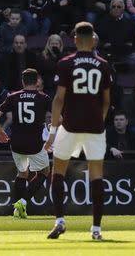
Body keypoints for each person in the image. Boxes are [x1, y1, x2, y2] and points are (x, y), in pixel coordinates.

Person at [44, 22, 112, 240]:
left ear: (74, 40)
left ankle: (60, 221)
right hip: (94, 127)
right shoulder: (102, 64)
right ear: (93, 40)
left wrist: (53, 131)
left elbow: (58, 99)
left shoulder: (66, 63)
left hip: (70, 125)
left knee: (58, 172)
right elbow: (106, 101)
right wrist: (98, 123)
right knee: (96, 175)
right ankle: (96, 230)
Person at [0, 68, 51, 219]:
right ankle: (23, 202)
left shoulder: (13, 97)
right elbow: (60, 119)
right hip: (35, 143)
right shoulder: (44, 98)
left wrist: (0, 132)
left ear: (23, 81)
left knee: (22, 173)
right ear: (37, 81)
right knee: (44, 172)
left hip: (17, 142)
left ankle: (18, 209)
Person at [96, 0, 135, 75]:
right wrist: (104, 45)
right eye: (113, 6)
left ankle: (132, 84)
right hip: (106, 53)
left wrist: (129, 47)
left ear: (123, 9)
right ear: (110, 8)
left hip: (125, 53)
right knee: (99, 63)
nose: (116, 8)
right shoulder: (102, 20)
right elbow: (97, 39)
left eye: (119, 7)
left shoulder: (129, 22)